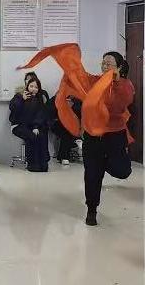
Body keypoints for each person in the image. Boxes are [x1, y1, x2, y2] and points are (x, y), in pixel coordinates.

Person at [83, 51, 134, 227]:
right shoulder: (96, 81)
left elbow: (122, 103)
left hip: (115, 135)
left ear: (119, 67)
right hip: (93, 136)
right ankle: (91, 210)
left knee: (123, 171)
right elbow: (82, 78)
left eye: (109, 63)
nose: (104, 66)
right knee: (92, 175)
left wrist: (115, 82)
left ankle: (103, 164)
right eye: (103, 63)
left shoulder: (126, 85)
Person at [9, 77, 50, 172]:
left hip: (31, 126)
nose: (33, 89)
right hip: (18, 126)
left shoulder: (39, 99)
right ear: (27, 86)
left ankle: (43, 164)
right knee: (32, 137)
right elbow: (13, 108)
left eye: (36, 87)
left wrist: (36, 127)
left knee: (42, 135)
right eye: (31, 86)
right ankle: (32, 164)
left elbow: (40, 115)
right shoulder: (19, 96)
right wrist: (22, 99)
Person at [48, 95, 82, 165]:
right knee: (66, 132)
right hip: (58, 123)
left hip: (73, 124)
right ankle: (64, 156)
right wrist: (64, 107)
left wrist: (71, 108)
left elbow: (80, 114)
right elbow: (50, 112)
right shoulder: (57, 97)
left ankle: (63, 156)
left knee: (68, 131)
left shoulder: (77, 99)